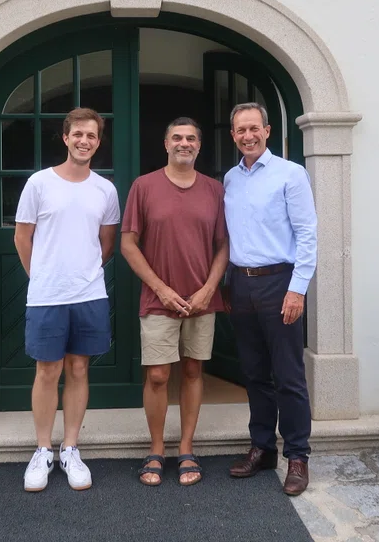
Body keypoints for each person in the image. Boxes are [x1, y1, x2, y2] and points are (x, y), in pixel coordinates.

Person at [14, 107, 120, 493]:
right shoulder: (39, 184)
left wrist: (83, 273)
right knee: (47, 371)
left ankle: (71, 448)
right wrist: (42, 275)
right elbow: (22, 238)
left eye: (91, 135)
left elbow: (106, 244)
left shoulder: (105, 190)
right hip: (47, 297)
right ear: (65, 137)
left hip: (89, 294)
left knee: (78, 370)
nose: (84, 141)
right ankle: (43, 450)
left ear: (97, 141)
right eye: (78, 134)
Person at [121, 117, 229, 487]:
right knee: (157, 374)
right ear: (166, 144)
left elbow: (223, 246)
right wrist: (161, 288)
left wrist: (208, 289)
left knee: (194, 371)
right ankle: (155, 449)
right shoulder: (144, 186)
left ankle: (186, 447)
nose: (185, 143)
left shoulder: (215, 189)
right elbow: (128, 243)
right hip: (158, 298)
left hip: (202, 300)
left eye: (191, 138)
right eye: (177, 138)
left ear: (199, 146)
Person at [223, 102, 318, 496]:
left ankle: (297, 456)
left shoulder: (290, 174)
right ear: (233, 135)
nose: (248, 136)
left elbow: (308, 234)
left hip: (280, 283)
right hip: (241, 285)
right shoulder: (230, 178)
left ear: (267, 130)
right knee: (255, 374)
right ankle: (262, 448)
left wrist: (298, 288)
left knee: (289, 376)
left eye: (253, 128)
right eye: (240, 130)